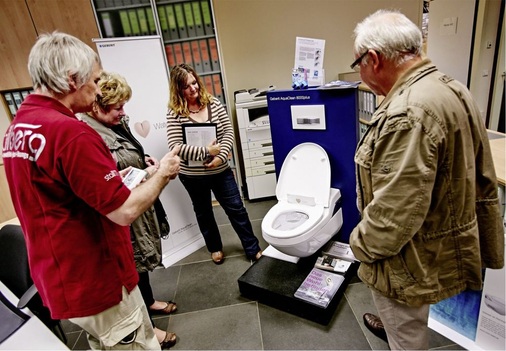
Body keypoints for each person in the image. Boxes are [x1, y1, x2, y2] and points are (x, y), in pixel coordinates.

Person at [2, 32, 181, 350]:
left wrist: (111, 179)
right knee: (134, 343)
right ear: (73, 79)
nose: (98, 89)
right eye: (95, 80)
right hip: (98, 278)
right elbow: (124, 211)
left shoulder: (19, 127)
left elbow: (61, 192)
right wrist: (163, 174)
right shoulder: (70, 132)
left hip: (62, 277)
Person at [348, 10, 504, 350]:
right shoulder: (451, 87)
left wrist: (358, 244)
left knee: (406, 335)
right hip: (438, 240)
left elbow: (392, 216)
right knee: (406, 319)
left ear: (373, 59)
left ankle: (399, 332)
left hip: (407, 260)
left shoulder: (407, 113)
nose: (358, 70)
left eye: (357, 62)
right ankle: (396, 327)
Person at [78, 71, 178, 348]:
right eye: (118, 107)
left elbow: (124, 158)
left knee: (140, 265)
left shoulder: (112, 125)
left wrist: (141, 161)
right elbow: (108, 179)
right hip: (123, 212)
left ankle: (149, 303)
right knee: (133, 265)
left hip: (135, 203)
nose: (123, 112)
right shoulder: (88, 135)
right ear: (97, 105)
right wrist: (154, 175)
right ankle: (149, 328)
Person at [166, 63, 262, 264]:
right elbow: (175, 145)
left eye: (194, 82)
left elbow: (227, 132)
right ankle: (215, 248)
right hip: (192, 176)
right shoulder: (174, 112)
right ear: (178, 89)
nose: (193, 88)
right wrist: (206, 152)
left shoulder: (213, 103)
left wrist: (220, 155)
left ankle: (252, 247)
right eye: (186, 86)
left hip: (220, 170)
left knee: (236, 209)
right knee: (203, 212)